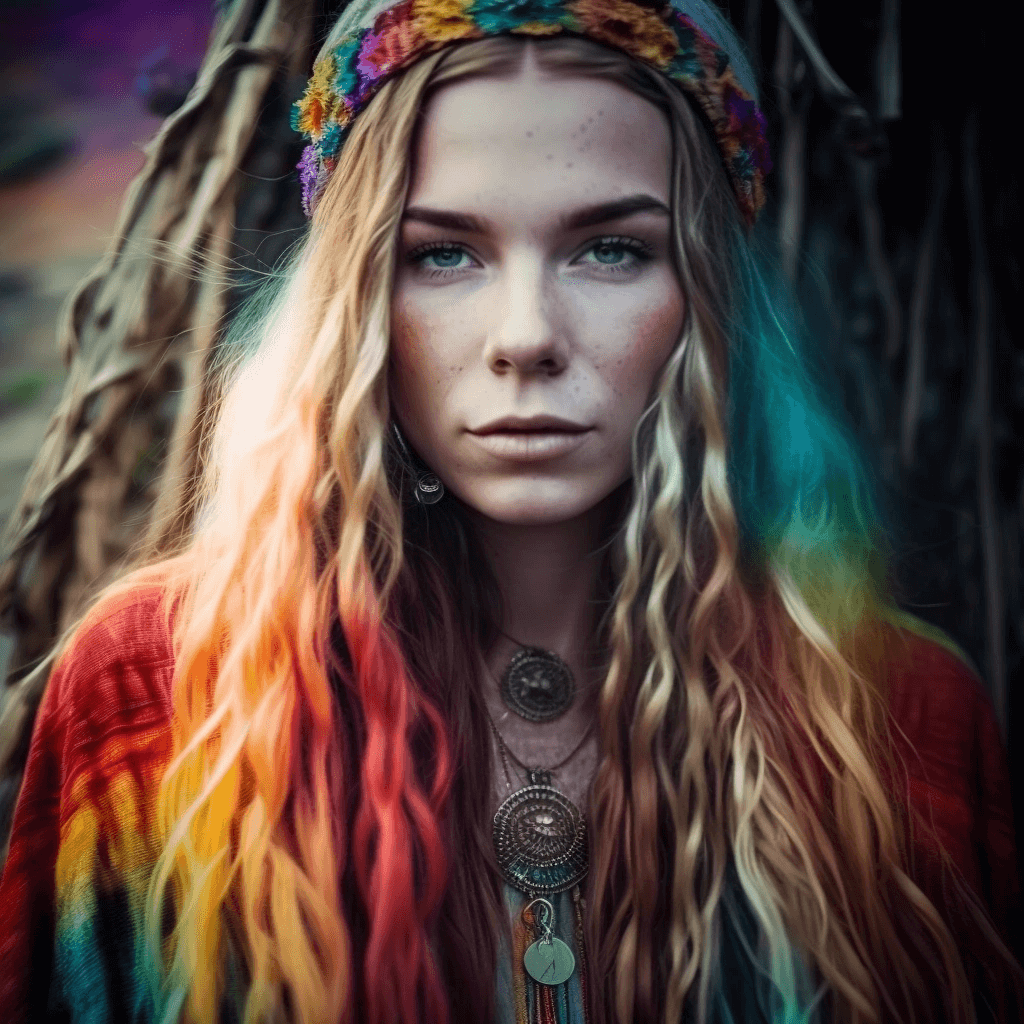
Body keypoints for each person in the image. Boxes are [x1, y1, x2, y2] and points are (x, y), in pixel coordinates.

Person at [0, 0, 1020, 1022]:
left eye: (611, 249)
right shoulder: (158, 693)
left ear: (705, 299)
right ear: (354, 303)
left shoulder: (899, 717)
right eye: (442, 254)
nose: (525, 336)